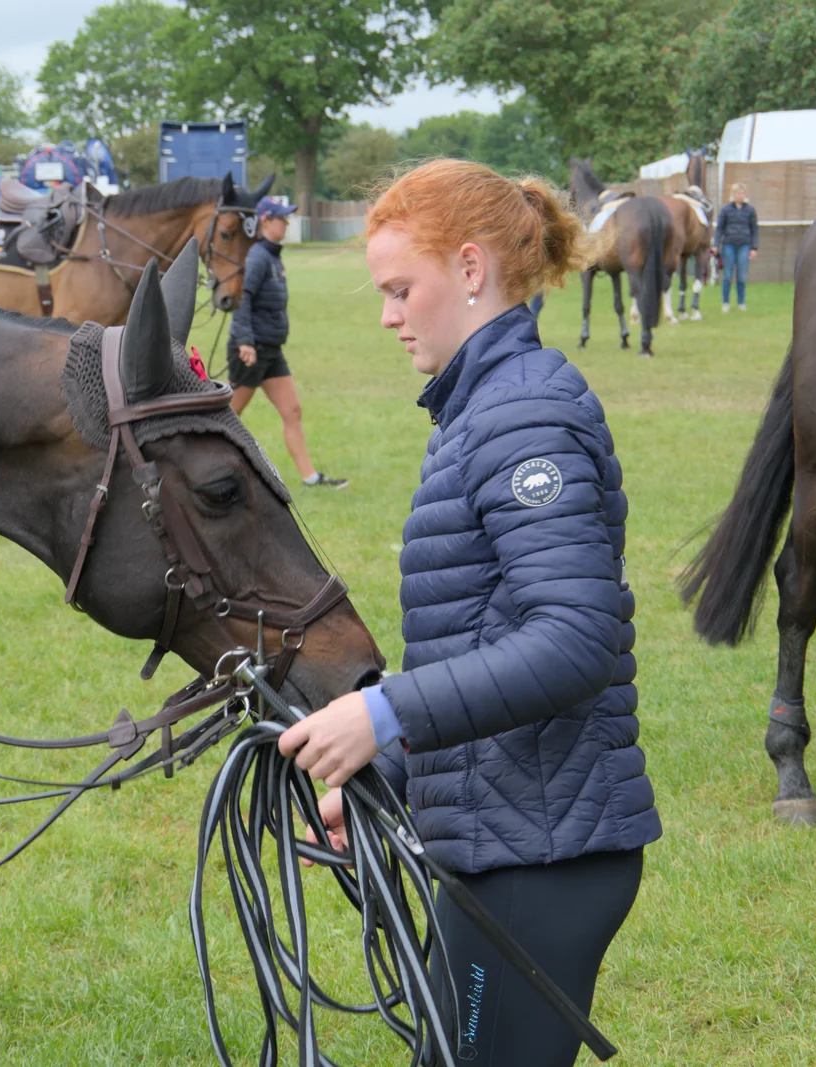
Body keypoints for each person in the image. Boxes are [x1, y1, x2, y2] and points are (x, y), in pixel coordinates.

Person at [277, 159, 660, 1066]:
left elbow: (574, 642)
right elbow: (486, 637)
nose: (388, 314)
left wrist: (383, 712)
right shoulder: (482, 409)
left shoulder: (522, 415)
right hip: (505, 838)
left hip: (545, 856)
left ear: (474, 268)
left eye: (402, 287)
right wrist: (401, 768)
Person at [228, 198, 347, 489]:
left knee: (292, 411)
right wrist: (245, 342)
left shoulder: (272, 256)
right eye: (282, 218)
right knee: (228, 415)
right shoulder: (256, 257)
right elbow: (241, 302)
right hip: (251, 350)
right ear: (265, 221)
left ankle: (310, 477)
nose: (288, 223)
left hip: (271, 350)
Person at [715, 182, 758, 312]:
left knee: (741, 276)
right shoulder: (726, 210)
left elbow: (754, 229)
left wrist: (754, 247)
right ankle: (726, 302)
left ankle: (741, 302)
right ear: (733, 195)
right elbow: (719, 228)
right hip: (729, 245)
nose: (740, 196)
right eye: (737, 193)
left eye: (742, 193)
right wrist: (716, 245)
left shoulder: (750, 210)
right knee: (727, 275)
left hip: (744, 245)